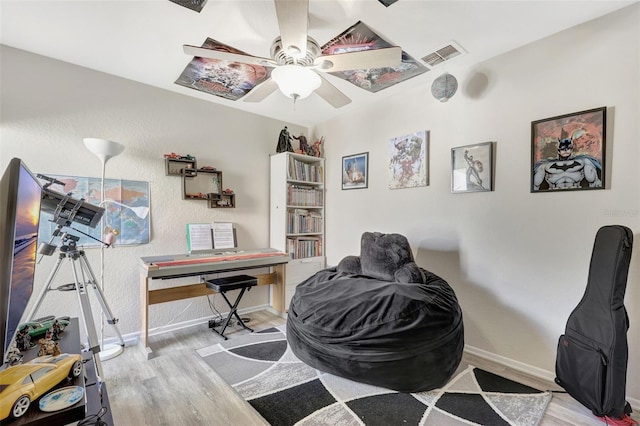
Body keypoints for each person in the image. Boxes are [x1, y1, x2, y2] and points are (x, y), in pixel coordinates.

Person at [533, 129, 602, 191]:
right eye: (563, 148)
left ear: (572, 149)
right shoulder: (545, 165)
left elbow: (594, 182)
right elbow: (535, 185)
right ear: (559, 150)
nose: (566, 150)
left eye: (568, 148)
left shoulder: (584, 161)